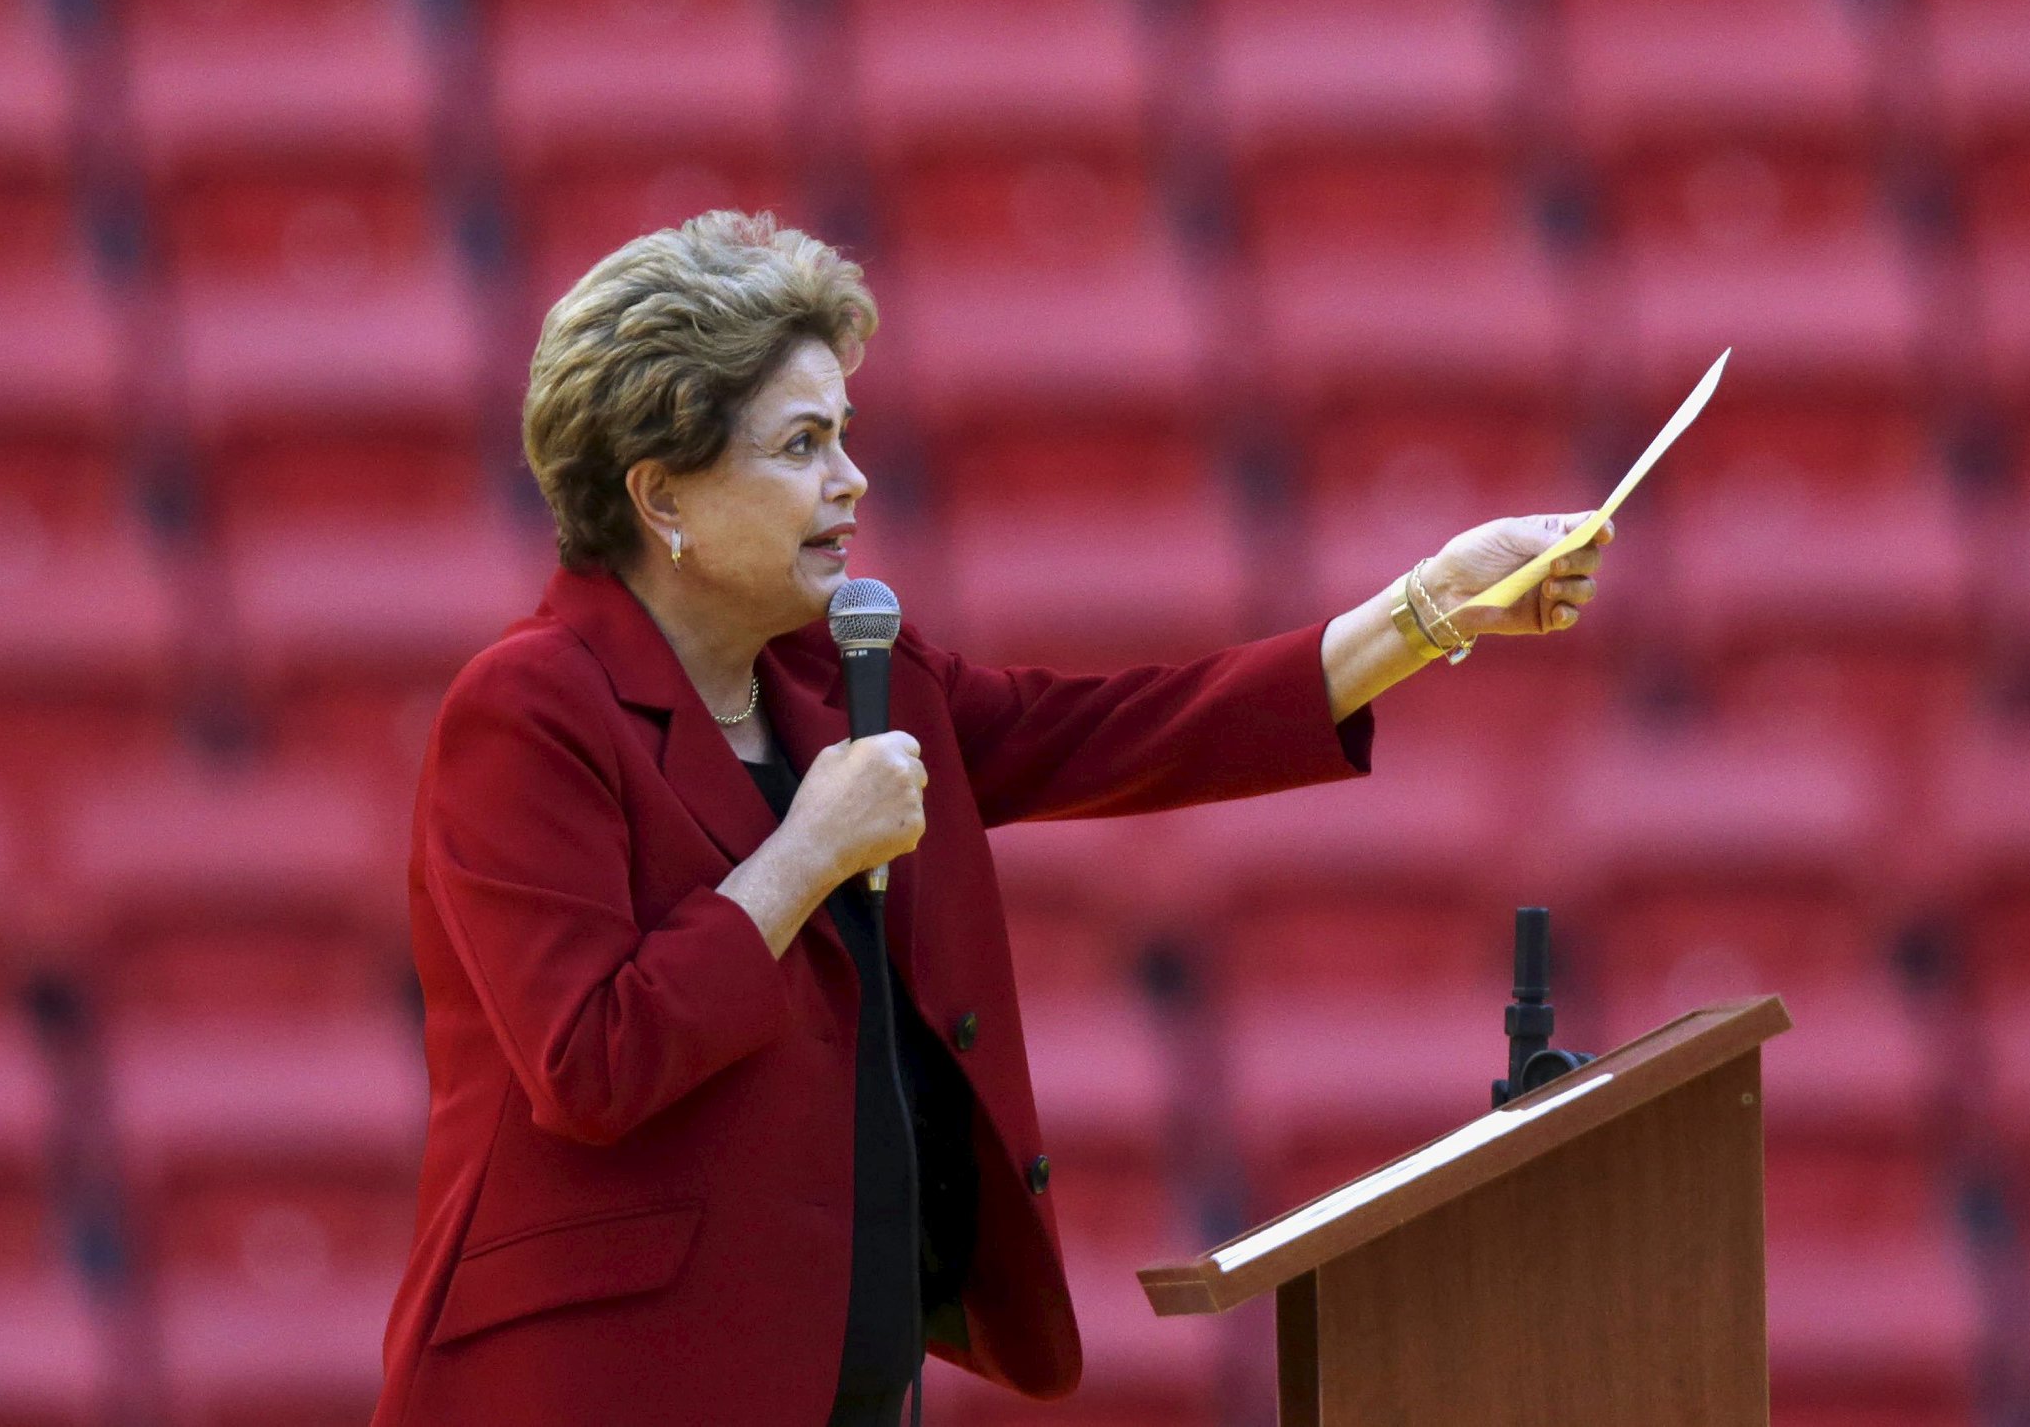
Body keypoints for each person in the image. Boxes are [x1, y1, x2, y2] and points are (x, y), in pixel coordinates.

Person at [370, 212, 1609, 1426]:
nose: (850, 480)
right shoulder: (528, 708)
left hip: (838, 1375)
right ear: (662, 496)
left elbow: (1120, 730)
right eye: (801, 444)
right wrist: (806, 852)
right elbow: (592, 1062)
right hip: (596, 1384)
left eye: (844, 435)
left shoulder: (844, 674)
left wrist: (1428, 607)